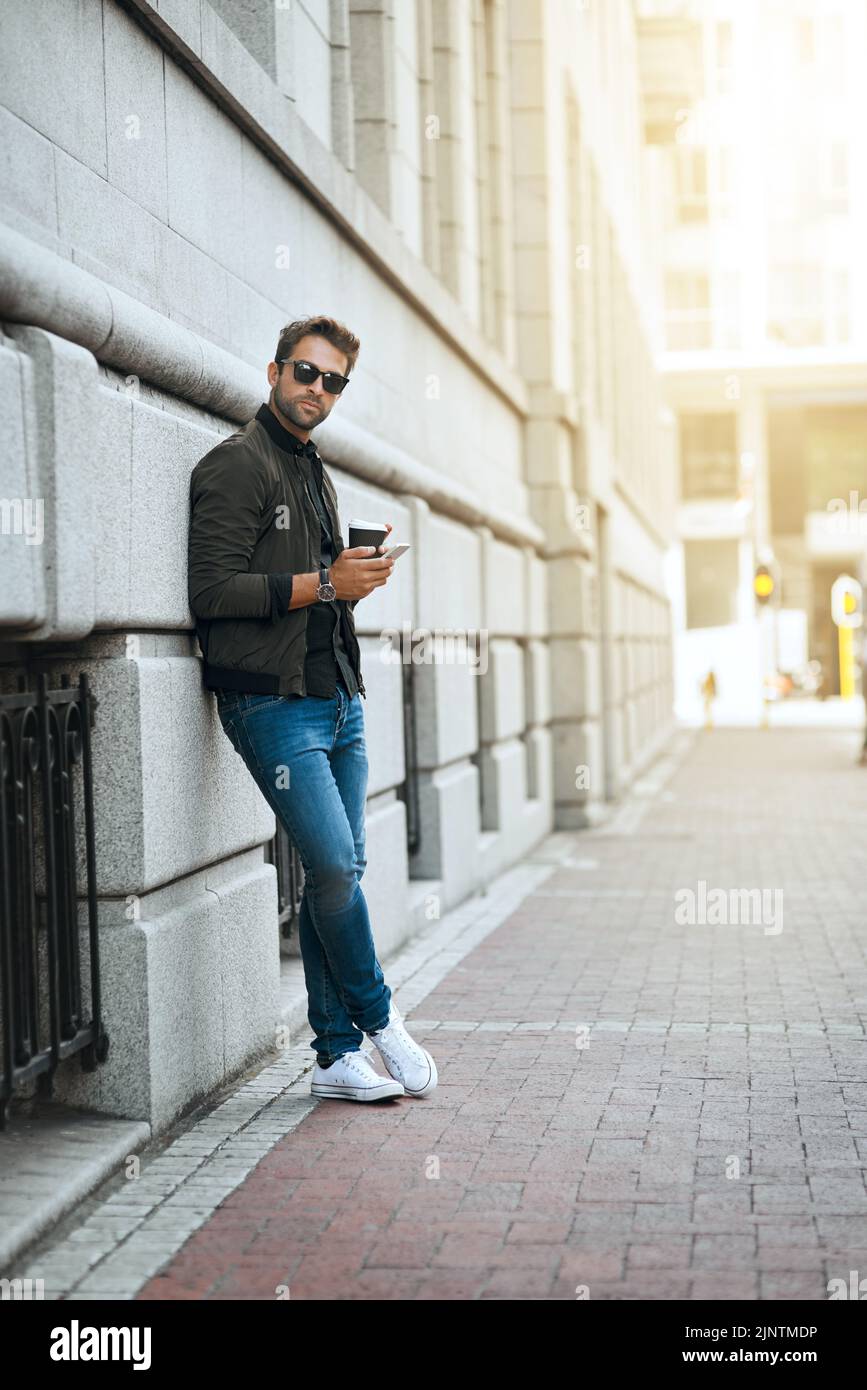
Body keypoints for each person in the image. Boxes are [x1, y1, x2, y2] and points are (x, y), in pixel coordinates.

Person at [187, 316, 437, 1102]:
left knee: (342, 877)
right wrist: (329, 583)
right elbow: (212, 595)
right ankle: (378, 1019)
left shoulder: (314, 472)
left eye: (333, 382)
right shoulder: (236, 466)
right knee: (331, 867)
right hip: (270, 706)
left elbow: (317, 586)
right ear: (273, 371)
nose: (317, 390)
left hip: (336, 699)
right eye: (306, 373)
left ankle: (333, 1058)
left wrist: (348, 573)